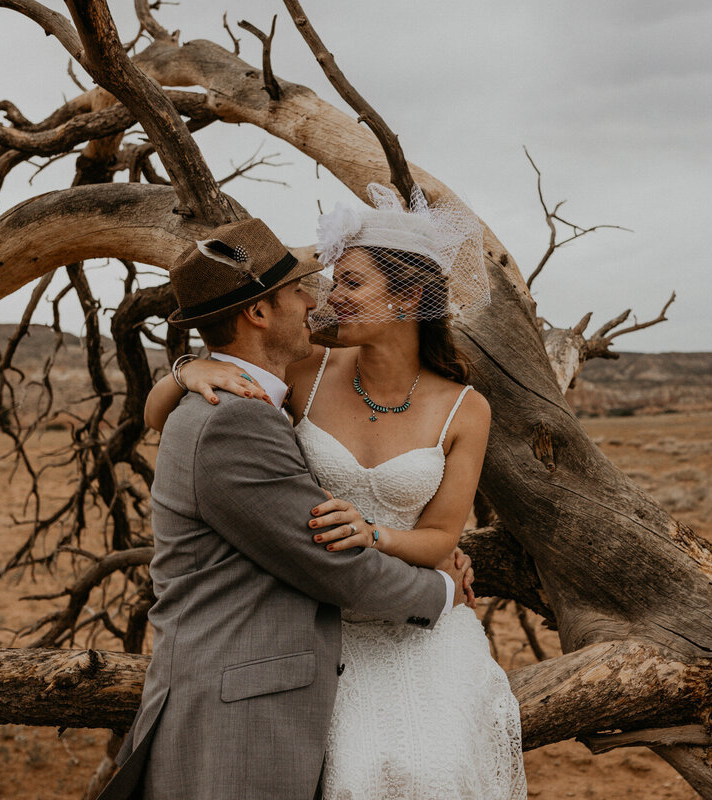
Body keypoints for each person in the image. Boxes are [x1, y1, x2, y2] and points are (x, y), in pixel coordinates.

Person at [145, 185, 527, 799]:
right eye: (327, 284)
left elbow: (439, 540)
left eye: (350, 284)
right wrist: (187, 369)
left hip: (416, 631)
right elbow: (178, 411)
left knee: (432, 772)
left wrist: (376, 534)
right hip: (320, 624)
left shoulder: (466, 407)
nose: (328, 297)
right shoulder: (303, 369)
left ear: (407, 298)